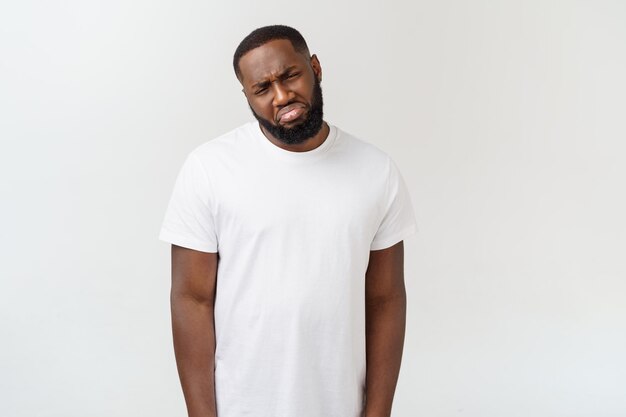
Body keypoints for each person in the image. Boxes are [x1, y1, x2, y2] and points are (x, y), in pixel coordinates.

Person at [159, 25, 417, 417]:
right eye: (262, 89)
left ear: (314, 67)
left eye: (290, 76)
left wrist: (378, 412)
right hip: (240, 406)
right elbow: (191, 299)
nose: (282, 97)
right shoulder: (209, 169)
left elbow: (385, 300)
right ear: (247, 95)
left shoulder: (375, 172)